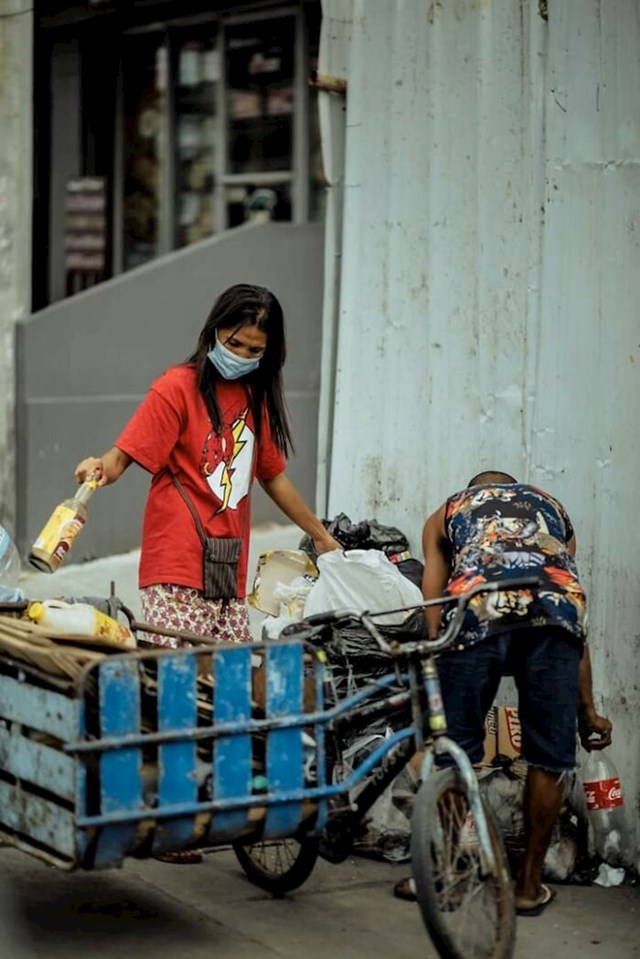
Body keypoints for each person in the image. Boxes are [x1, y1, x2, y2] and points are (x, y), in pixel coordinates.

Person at [394, 470, 612, 914]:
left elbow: (433, 602)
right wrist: (588, 711)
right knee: (548, 759)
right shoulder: (554, 509)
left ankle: (445, 875)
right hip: (556, 614)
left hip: (477, 604)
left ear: (473, 489)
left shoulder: (447, 511)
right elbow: (565, 601)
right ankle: (528, 887)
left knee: (456, 748)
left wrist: (434, 667)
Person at [76, 284, 340, 649]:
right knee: (179, 684)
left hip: (227, 571)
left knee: (229, 685)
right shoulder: (175, 389)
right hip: (176, 567)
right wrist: (96, 467)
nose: (242, 355)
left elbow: (274, 477)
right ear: (213, 332)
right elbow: (118, 460)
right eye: (235, 344)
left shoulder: (253, 397)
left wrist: (321, 536)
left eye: (254, 350)